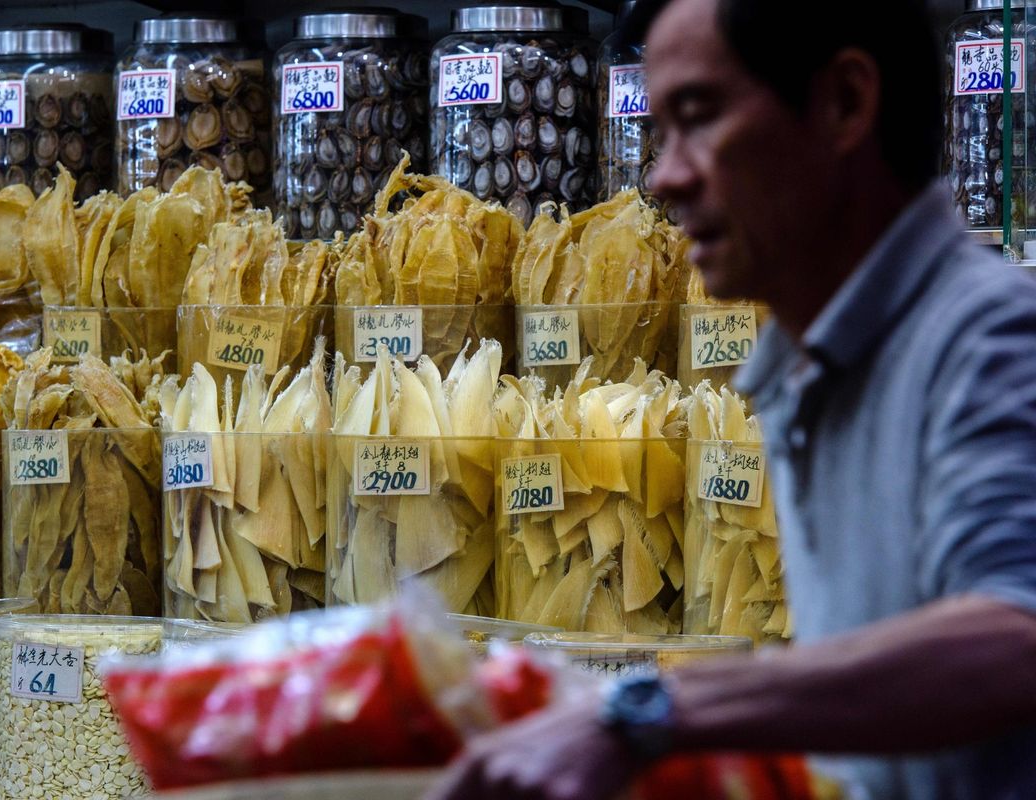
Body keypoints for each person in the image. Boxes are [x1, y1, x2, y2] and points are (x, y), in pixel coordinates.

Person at [424, 0, 1036, 798]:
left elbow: (1017, 638)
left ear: (845, 103)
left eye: (701, 118)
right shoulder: (808, 361)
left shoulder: (986, 339)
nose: (663, 175)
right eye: (662, 129)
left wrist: (649, 709)